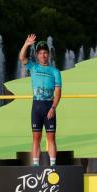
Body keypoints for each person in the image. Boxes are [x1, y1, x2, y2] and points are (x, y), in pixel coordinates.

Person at [18, 33, 62, 166]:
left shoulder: (55, 71)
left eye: (45, 53)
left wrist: (53, 108)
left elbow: (58, 93)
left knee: (51, 139)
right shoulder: (33, 67)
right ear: (37, 55)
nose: (43, 55)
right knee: (36, 139)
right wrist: (26, 44)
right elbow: (22, 58)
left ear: (48, 54)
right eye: (40, 53)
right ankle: (36, 166)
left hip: (49, 107)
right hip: (36, 107)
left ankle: (53, 166)